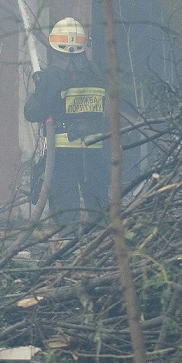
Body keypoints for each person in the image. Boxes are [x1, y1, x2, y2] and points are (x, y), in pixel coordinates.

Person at [24, 17, 108, 221]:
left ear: (54, 47)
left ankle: (68, 247)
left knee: (65, 205)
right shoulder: (96, 72)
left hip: (63, 153)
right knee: (98, 203)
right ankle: (104, 248)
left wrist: (39, 88)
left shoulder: (54, 75)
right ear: (83, 44)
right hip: (95, 149)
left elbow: (33, 113)